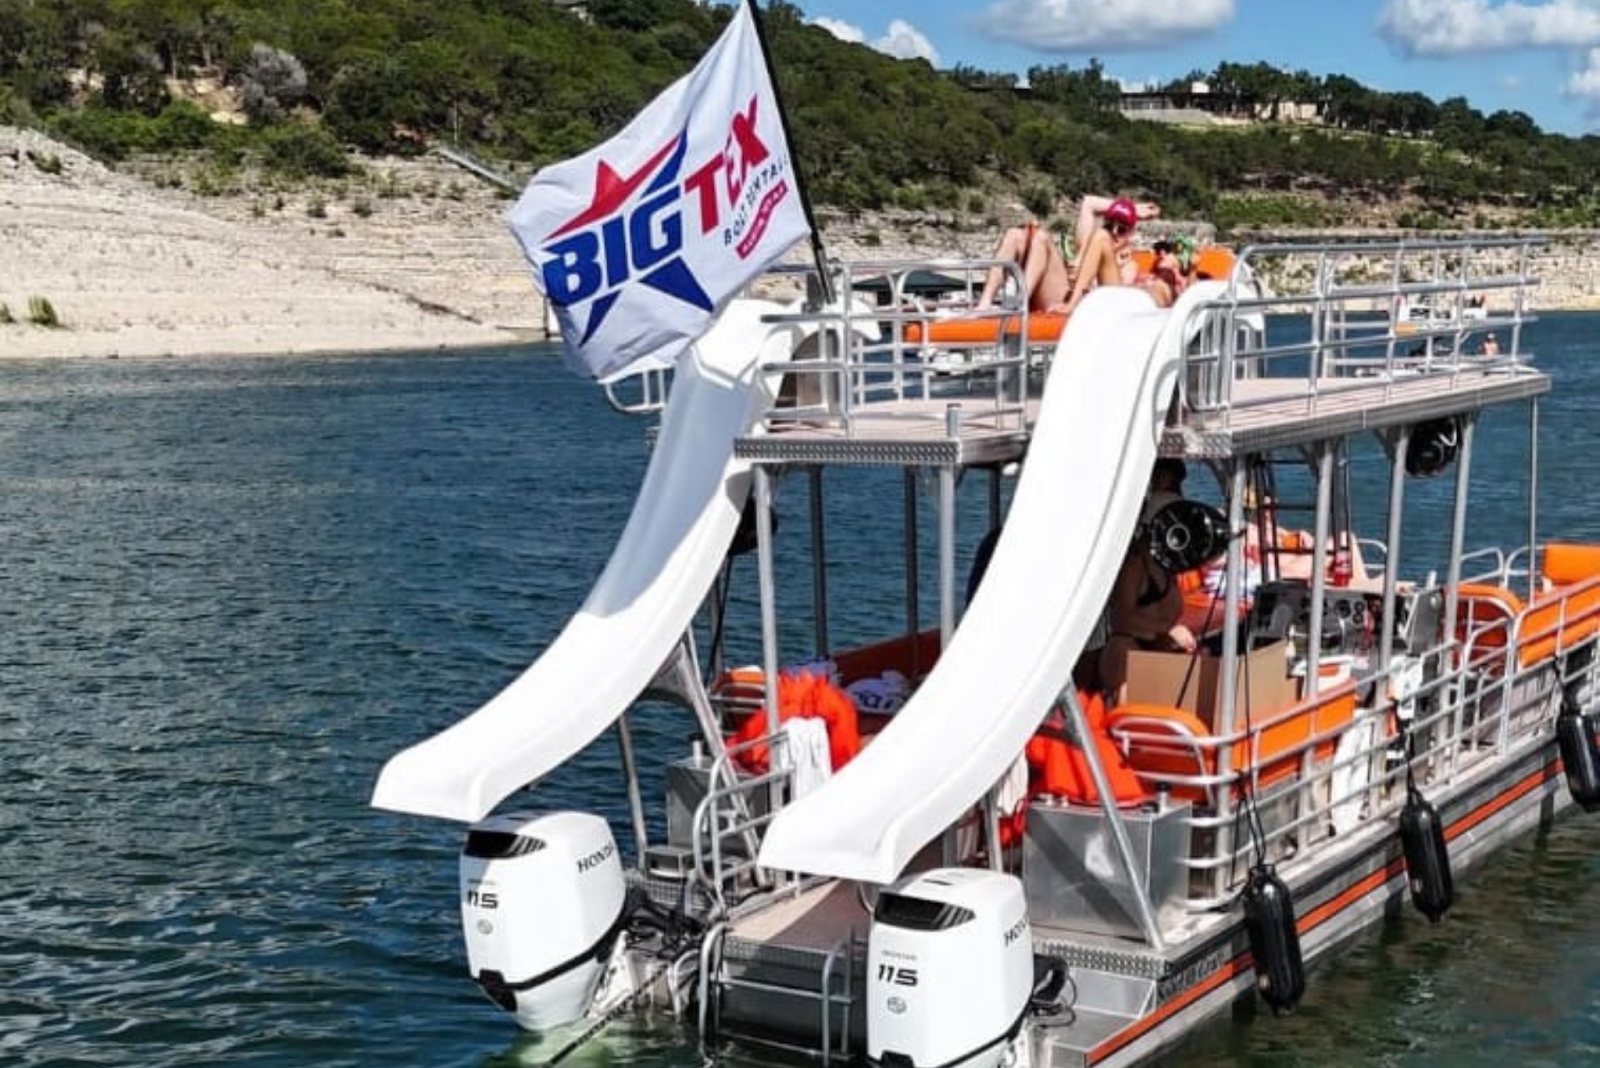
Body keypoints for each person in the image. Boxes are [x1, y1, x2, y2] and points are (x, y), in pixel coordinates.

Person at [1098, 460, 1199, 704]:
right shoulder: (1135, 560)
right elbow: (1120, 617)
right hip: (1128, 657)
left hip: (1157, 654)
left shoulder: (1167, 562)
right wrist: (1165, 631)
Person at [1059, 196, 1150, 315]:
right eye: (1109, 226)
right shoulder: (1090, 245)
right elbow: (1088, 203)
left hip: (1111, 307)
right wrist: (1080, 259)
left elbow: (1118, 298)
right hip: (1084, 298)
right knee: (1037, 234)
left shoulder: (1129, 265)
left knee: (1101, 237)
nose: (1114, 232)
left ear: (1131, 233)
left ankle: (1071, 304)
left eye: (1121, 229)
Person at [974, 220, 1071, 312]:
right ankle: (984, 303)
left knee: (1041, 238)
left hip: (1065, 296)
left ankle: (1021, 301)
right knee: (1013, 234)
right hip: (1040, 285)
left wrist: (1072, 303)